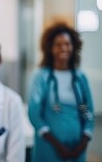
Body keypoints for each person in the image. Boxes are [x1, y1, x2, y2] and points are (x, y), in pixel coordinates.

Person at [27, 23, 94, 162]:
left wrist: (83, 142)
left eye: (67, 44)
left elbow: (87, 110)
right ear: (50, 48)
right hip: (49, 148)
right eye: (58, 44)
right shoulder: (42, 77)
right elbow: (34, 113)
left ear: (74, 46)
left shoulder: (80, 78)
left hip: (77, 148)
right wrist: (57, 145)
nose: (64, 48)